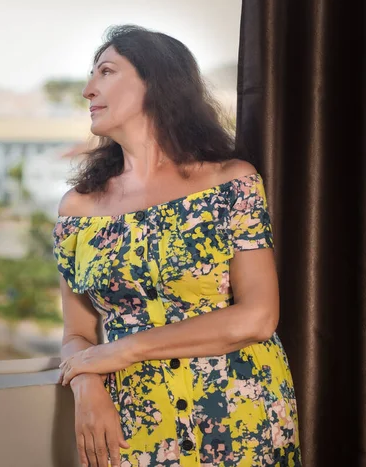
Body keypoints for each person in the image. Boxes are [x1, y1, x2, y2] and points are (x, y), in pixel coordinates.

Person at [53, 25, 301, 467]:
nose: (89, 90)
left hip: (243, 416)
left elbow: (259, 316)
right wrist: (85, 384)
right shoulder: (78, 210)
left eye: (105, 72)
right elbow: (77, 333)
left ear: (157, 82)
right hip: (134, 425)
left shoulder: (231, 182)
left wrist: (123, 349)